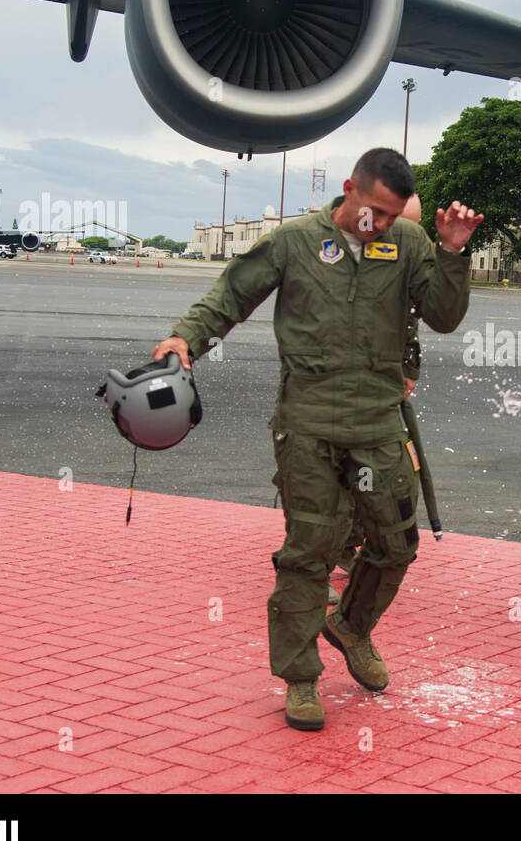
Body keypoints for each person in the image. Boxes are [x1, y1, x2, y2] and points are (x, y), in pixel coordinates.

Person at [153, 149, 482, 731]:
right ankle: (301, 677)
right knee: (308, 551)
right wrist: (186, 338)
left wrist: (452, 253)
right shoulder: (295, 241)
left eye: (393, 215)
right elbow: (231, 296)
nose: (382, 224)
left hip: (377, 421)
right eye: (376, 211)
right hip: (307, 420)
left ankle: (351, 626)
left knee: (397, 544)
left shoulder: (408, 242)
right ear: (350, 189)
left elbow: (443, 316)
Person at [332, 194, 425, 603]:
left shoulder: (403, 259)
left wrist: (408, 368)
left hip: (382, 388)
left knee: (384, 473)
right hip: (335, 388)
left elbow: (410, 320)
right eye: (401, 223)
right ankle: (315, 561)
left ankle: (350, 543)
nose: (407, 234)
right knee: (332, 477)